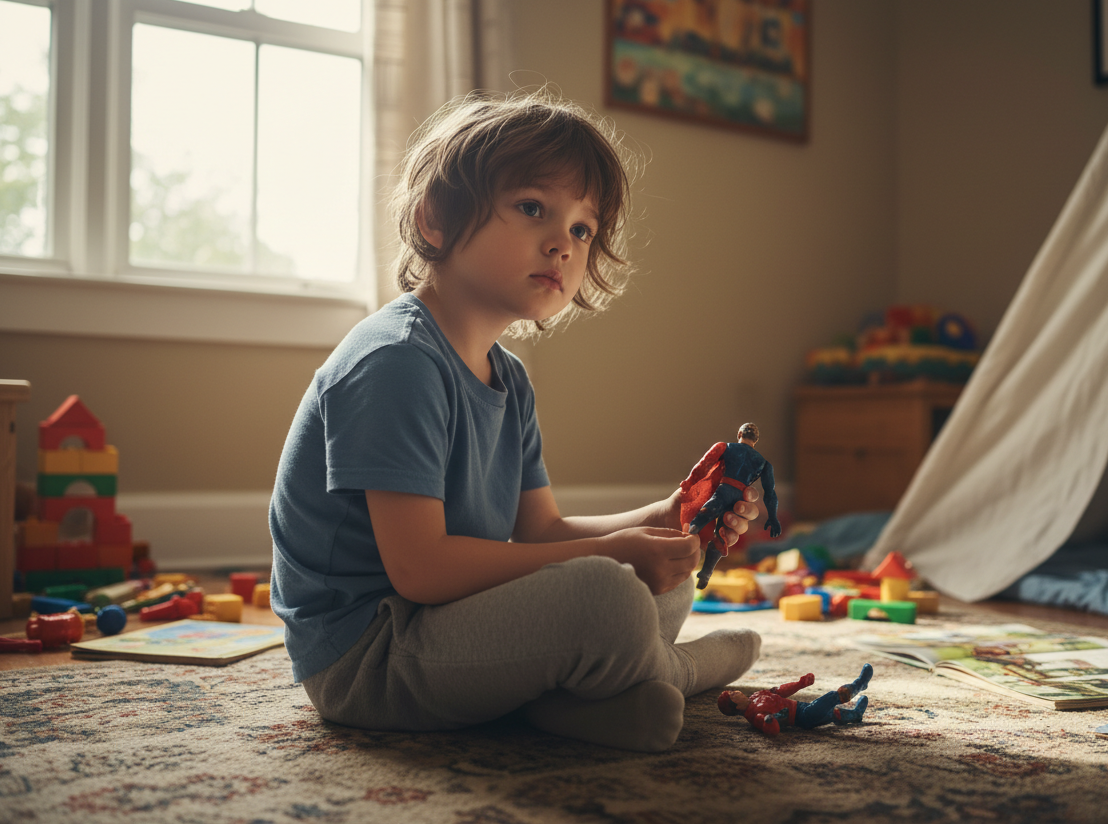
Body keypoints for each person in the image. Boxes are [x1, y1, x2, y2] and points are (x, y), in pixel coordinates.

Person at [268, 90, 765, 754]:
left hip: (451, 625)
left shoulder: (510, 377)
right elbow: (419, 570)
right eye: (533, 209)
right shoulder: (397, 362)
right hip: (371, 656)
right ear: (437, 220)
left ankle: (568, 706)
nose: (562, 242)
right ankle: (675, 672)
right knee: (608, 595)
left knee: (659, 580)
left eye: (583, 229)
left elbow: (541, 531)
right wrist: (613, 557)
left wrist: (667, 516)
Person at [679, 423, 781, 588]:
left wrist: (689, 482)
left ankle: (684, 545)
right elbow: (770, 493)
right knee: (722, 535)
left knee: (702, 517)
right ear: (756, 440)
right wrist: (773, 517)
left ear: (739, 433)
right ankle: (706, 573)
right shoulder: (763, 463)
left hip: (724, 490)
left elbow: (703, 466)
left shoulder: (725, 447)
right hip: (738, 498)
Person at [718, 664, 872, 736]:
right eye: (732, 694)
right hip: (804, 716)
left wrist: (799, 684)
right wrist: (772, 720)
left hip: (802, 707)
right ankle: (860, 685)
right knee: (832, 697)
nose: (736, 691)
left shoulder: (756, 696)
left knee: (834, 714)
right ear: (736, 706)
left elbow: (779, 691)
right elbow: (770, 729)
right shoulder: (755, 715)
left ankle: (855, 715)